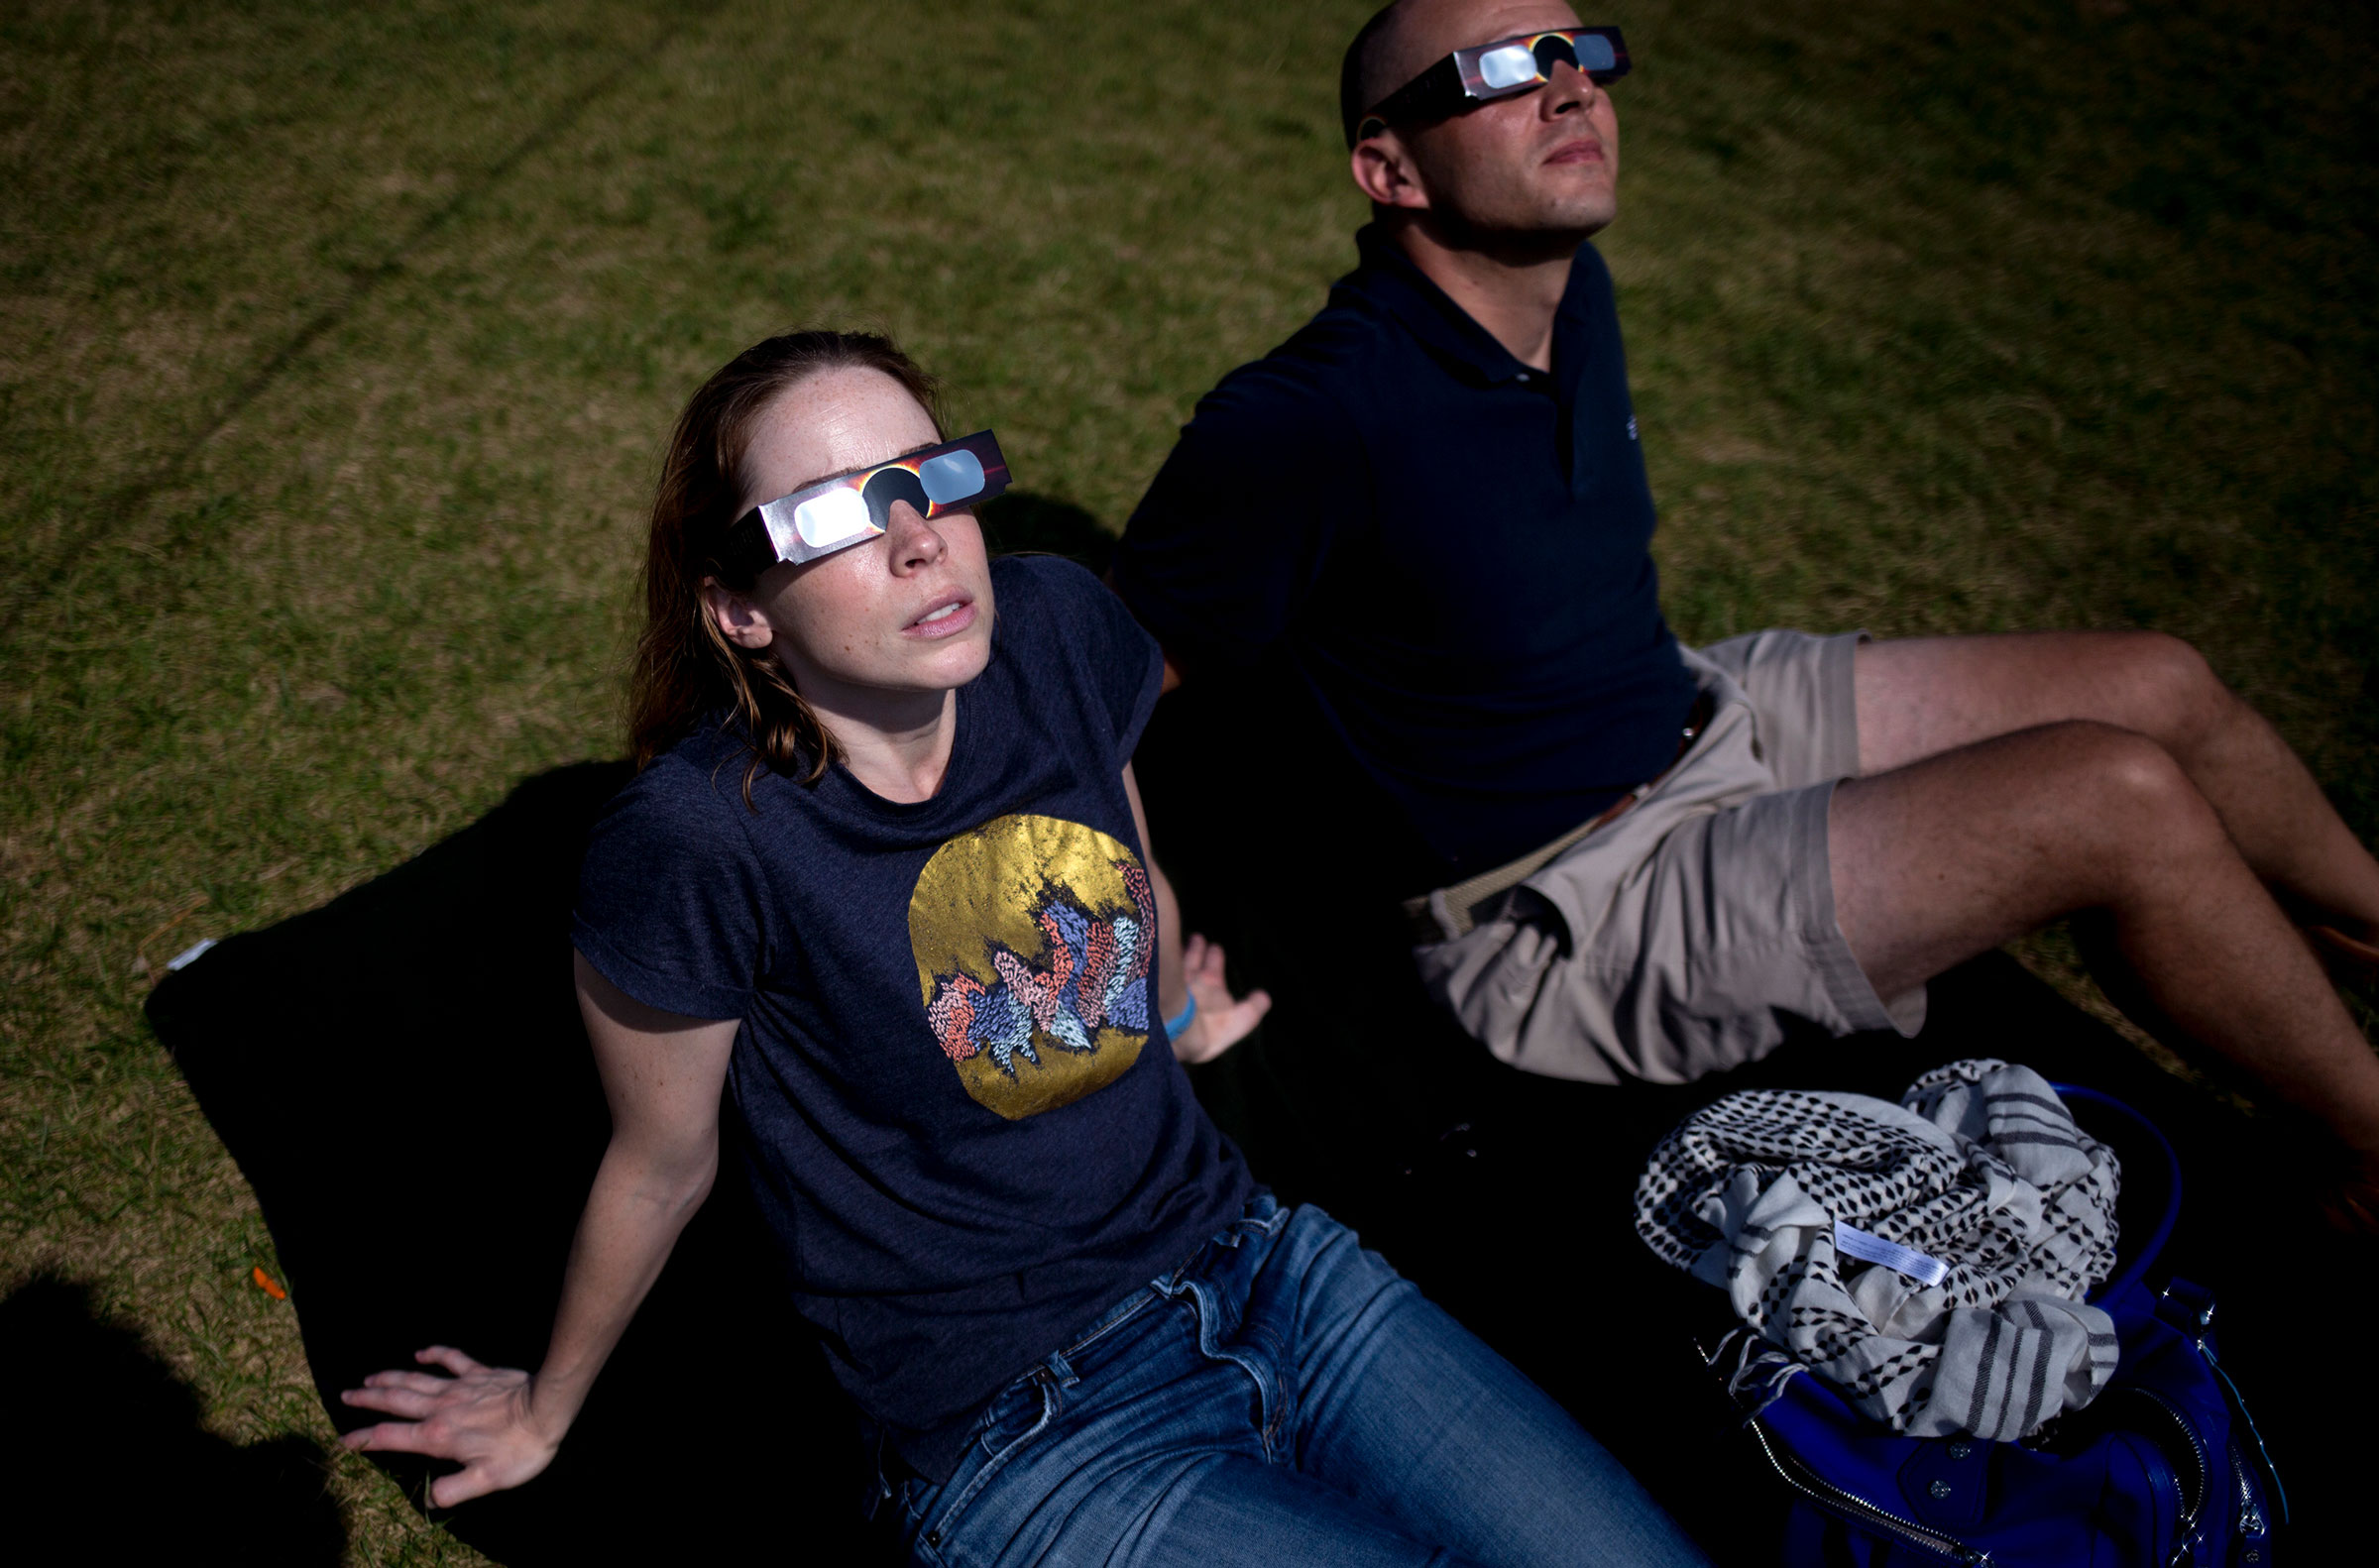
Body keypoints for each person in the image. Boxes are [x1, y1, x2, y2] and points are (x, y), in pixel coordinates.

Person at [334, 330, 1709, 1567]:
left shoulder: (1052, 627)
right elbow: (660, 1158)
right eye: (837, 512)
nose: (919, 538)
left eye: (931, 479)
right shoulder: (697, 838)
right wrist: (544, 1409)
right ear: (741, 608)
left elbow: (1125, 860)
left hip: (1265, 1266)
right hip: (1026, 1430)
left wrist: (1176, 1013)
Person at [1108, 0, 2379, 1227]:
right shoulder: (1308, 421)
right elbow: (1087, 693)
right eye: (1502, 71)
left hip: (1693, 705)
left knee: (2157, 682)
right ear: (1389, 168)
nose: (1570, 86)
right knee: (2114, 798)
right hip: (1573, 902)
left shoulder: (1568, 293)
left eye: (1576, 50)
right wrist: (1159, 976)